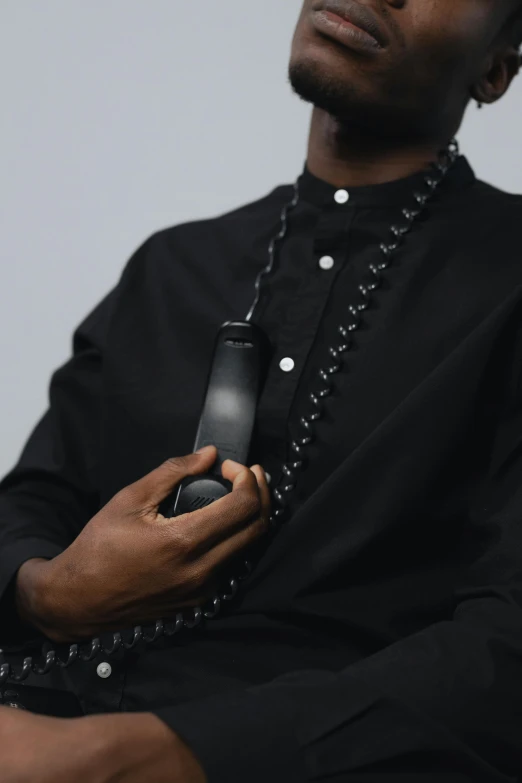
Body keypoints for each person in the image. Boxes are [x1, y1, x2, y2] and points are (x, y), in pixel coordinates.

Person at [1, 1, 522, 781]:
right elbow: (31, 500)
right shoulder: (170, 268)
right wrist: (51, 592)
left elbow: (504, 649)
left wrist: (122, 755)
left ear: (496, 67)